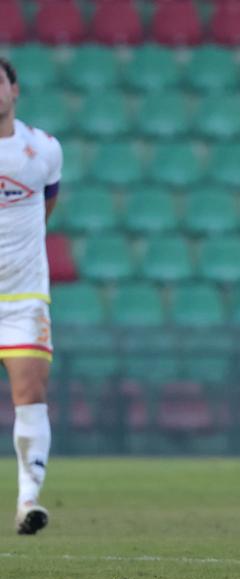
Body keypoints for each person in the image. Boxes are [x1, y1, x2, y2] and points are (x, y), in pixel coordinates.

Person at [0, 57, 62, 535]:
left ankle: (27, 500)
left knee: (30, 395)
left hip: (23, 296)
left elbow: (47, 207)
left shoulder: (42, 150)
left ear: (14, 89)